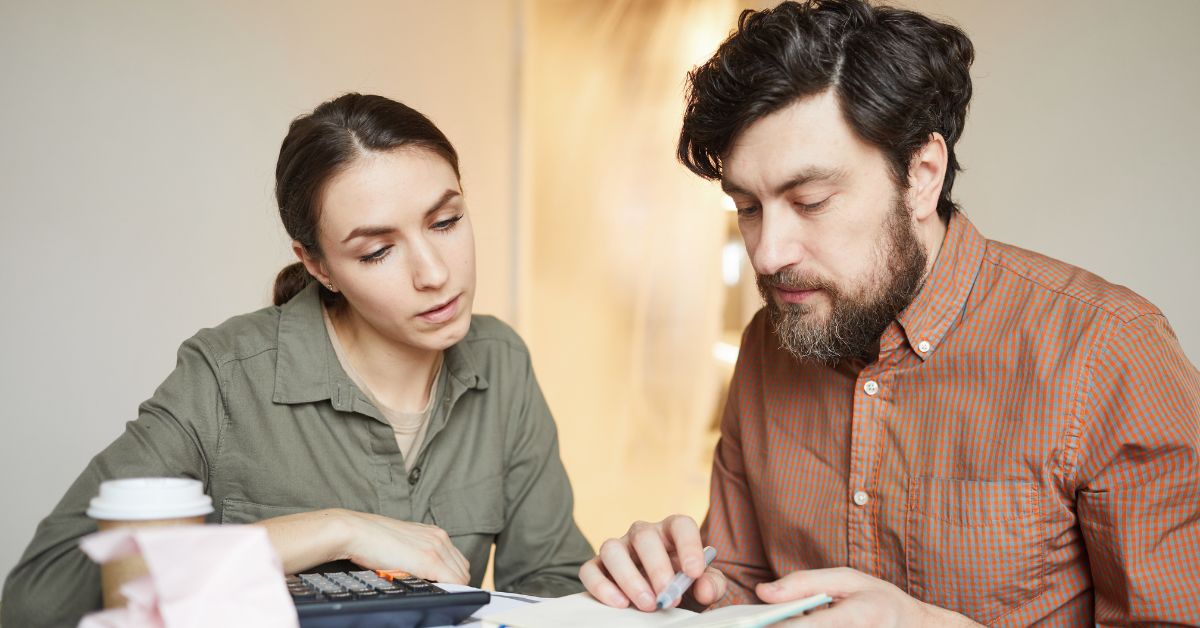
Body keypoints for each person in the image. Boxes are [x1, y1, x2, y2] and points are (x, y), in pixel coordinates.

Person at [580, 1, 1200, 625]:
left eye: (812, 200)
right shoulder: (768, 344)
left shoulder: (1110, 352)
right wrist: (678, 585)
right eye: (747, 206)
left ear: (923, 175)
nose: (767, 255)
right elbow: (745, 584)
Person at [2, 93, 594, 627]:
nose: (435, 274)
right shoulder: (226, 376)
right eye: (378, 251)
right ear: (317, 266)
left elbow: (553, 587)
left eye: (446, 222)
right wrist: (334, 529)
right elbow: (37, 599)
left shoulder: (502, 361)